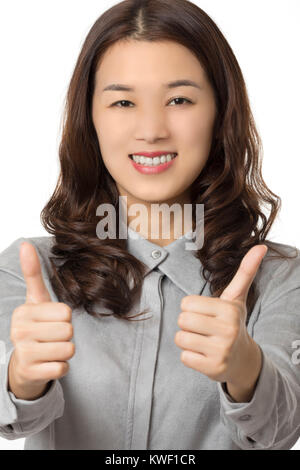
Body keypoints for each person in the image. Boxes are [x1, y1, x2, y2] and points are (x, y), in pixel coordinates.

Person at [0, 0, 300, 451]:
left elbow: (283, 429)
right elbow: (11, 421)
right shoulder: (31, 269)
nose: (151, 129)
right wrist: (20, 377)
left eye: (179, 99)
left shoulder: (278, 276)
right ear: (91, 120)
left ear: (220, 115)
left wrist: (244, 368)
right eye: (123, 101)